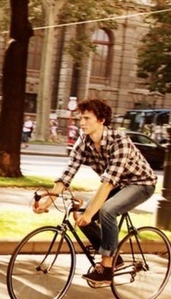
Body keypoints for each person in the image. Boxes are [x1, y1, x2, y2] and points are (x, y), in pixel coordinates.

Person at [32, 98, 157, 287]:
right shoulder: (83, 142)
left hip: (141, 183)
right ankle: (116, 257)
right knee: (79, 215)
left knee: (107, 210)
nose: (82, 122)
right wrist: (47, 202)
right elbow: (67, 174)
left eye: (87, 118)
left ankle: (106, 268)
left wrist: (91, 213)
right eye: (81, 118)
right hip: (119, 184)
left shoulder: (119, 140)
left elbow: (107, 184)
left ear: (101, 120)